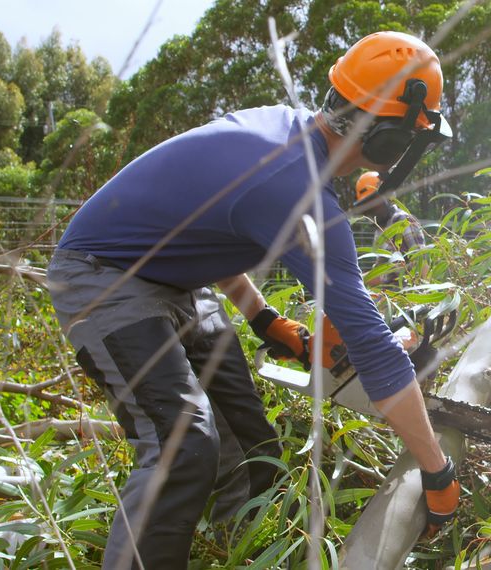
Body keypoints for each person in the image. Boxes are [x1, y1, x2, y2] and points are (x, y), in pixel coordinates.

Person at [46, 31, 459, 569]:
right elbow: (374, 350)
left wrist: (265, 319)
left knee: (250, 440)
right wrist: (436, 470)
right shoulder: (298, 188)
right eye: (407, 141)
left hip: (178, 279)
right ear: (383, 138)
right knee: (183, 447)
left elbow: (210, 230)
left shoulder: (287, 137)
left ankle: (235, 549)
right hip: (102, 278)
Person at [355, 170, 427, 287]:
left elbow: (422, 264)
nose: (371, 209)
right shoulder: (380, 229)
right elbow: (379, 270)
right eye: (367, 205)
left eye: (374, 202)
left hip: (409, 294)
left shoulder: (403, 220)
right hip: (388, 296)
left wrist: (380, 277)